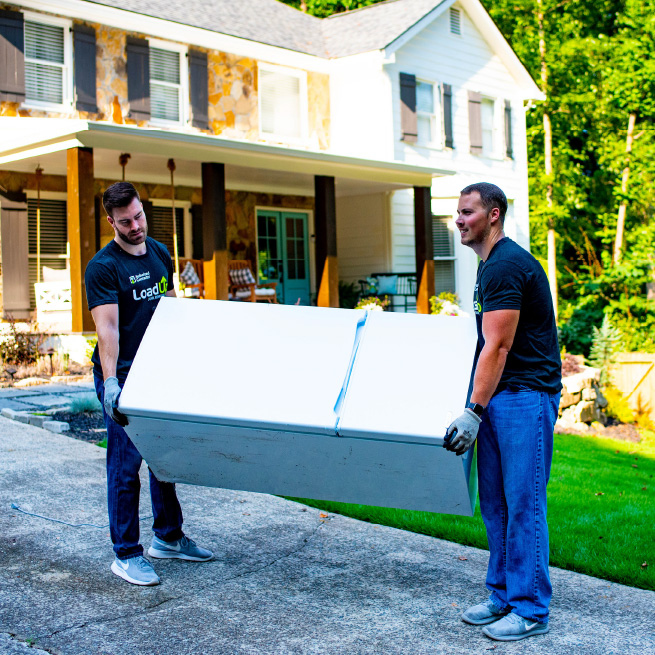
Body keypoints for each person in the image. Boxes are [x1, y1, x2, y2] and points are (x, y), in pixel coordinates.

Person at [444, 182, 561, 641]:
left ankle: (530, 609)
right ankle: (502, 595)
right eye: (458, 212)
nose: (459, 220)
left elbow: (499, 344)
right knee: (495, 505)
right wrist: (477, 404)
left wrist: (472, 411)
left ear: (493, 215)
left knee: (523, 503)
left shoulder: (506, 265)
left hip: (524, 399)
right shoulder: (489, 265)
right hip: (500, 398)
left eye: (467, 212)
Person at [86, 181, 213, 586]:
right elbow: (107, 330)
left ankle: (169, 537)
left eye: (138, 216)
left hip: (156, 368)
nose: (135, 225)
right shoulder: (103, 267)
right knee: (126, 464)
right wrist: (110, 383)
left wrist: (182, 360)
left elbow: (171, 309)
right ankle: (125, 554)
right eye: (125, 222)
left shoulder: (159, 251)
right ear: (111, 222)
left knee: (164, 456)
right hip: (121, 374)